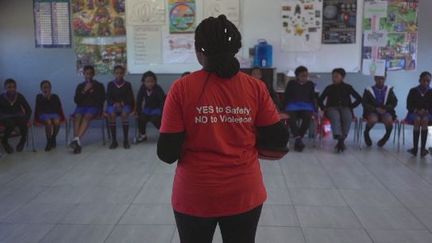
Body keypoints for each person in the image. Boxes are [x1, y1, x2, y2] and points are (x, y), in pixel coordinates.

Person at [157, 15, 289, 243]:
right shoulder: (255, 87)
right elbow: (279, 139)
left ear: (199, 51)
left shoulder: (181, 89)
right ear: (234, 50)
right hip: (244, 192)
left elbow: (166, 153)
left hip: (194, 195)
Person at [319, 68, 362, 152]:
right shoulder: (329, 88)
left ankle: (341, 140)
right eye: (333, 76)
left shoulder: (348, 87)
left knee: (347, 116)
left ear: (342, 77)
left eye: (336, 76)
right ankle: (339, 137)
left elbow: (359, 98)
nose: (334, 78)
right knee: (335, 116)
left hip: (345, 108)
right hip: (331, 108)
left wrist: (351, 106)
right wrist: (324, 108)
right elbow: (320, 99)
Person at [69, 65, 106, 154]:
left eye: (90, 74)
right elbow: (76, 100)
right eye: (86, 74)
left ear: (93, 74)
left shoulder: (99, 85)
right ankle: (77, 141)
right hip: (81, 107)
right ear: (84, 74)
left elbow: (102, 99)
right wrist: (84, 90)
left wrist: (93, 92)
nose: (88, 76)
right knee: (77, 116)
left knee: (87, 116)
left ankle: (76, 140)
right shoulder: (80, 86)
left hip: (94, 107)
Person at [283, 65, 317, 152]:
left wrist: (316, 109)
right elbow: (286, 96)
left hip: (306, 106)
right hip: (293, 106)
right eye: (302, 75)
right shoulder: (291, 83)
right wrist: (283, 108)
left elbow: (313, 97)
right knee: (290, 117)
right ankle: (298, 139)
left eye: (306, 75)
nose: (305, 77)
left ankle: (298, 138)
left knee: (308, 116)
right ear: (297, 76)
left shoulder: (310, 84)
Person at [362, 74, 398, 147]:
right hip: (372, 111)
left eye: (382, 78)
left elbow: (394, 102)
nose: (380, 80)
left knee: (389, 120)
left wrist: (386, 108)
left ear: (385, 79)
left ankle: (386, 137)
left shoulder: (389, 90)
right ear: (375, 78)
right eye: (378, 78)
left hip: (386, 111)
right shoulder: (368, 90)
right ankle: (366, 133)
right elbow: (364, 103)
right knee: (372, 120)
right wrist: (375, 109)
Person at [106, 65, 135, 149]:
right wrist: (114, 103)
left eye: (121, 73)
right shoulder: (110, 84)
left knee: (124, 114)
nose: (119, 75)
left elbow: (130, 97)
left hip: (125, 104)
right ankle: (114, 141)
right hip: (113, 104)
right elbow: (108, 97)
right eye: (117, 73)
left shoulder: (127, 84)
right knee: (112, 114)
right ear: (114, 74)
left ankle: (125, 140)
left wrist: (122, 103)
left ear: (124, 74)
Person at [0, 79, 32, 154]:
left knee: (23, 121)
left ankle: (23, 140)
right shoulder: (1, 97)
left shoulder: (19, 96)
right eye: (9, 87)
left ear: (16, 87)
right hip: (5, 116)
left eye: (14, 87)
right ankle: (4, 141)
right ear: (5, 88)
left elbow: (28, 109)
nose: (12, 89)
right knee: (11, 124)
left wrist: (26, 118)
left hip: (18, 115)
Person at [406, 71, 432, 157]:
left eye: (428, 81)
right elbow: (408, 105)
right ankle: (415, 149)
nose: (426, 83)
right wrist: (416, 110)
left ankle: (423, 149)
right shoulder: (413, 91)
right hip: (414, 113)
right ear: (419, 80)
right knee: (417, 120)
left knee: (425, 120)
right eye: (424, 80)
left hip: (428, 114)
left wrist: (427, 111)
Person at [136, 71, 165, 143]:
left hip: (157, 109)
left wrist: (162, 113)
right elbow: (139, 100)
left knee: (155, 119)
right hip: (147, 109)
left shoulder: (158, 88)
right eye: (147, 82)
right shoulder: (143, 88)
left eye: (152, 81)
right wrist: (138, 111)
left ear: (155, 81)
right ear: (143, 82)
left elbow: (162, 102)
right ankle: (143, 135)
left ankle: (164, 134)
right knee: (141, 118)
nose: (150, 83)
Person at [34, 80, 64, 151]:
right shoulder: (39, 96)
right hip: (43, 114)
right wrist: (45, 98)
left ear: (50, 88)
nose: (46, 89)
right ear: (41, 89)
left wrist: (49, 98)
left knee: (56, 121)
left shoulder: (55, 96)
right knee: (48, 122)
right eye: (44, 87)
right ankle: (49, 141)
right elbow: (39, 108)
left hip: (53, 113)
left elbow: (58, 107)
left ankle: (53, 138)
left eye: (47, 87)